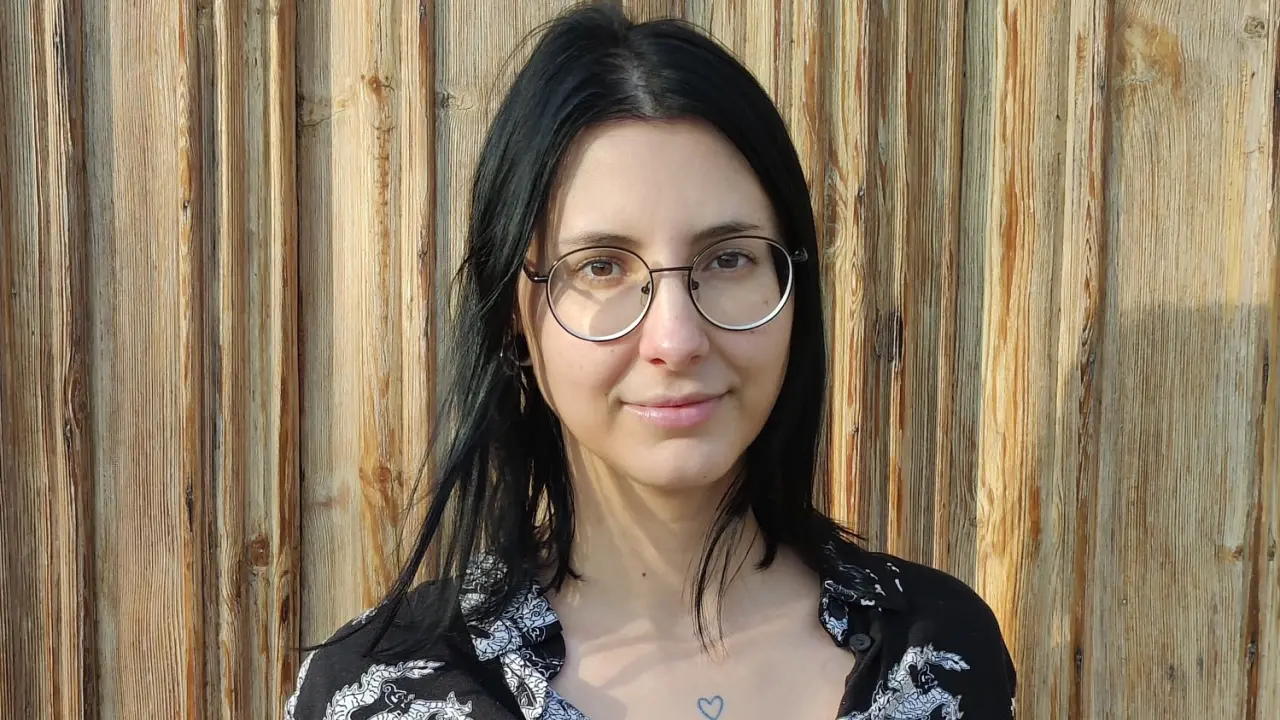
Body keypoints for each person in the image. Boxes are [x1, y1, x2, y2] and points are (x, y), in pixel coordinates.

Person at [285, 2, 1017, 718]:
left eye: (727, 259)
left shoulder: (944, 660)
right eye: (601, 266)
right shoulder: (380, 693)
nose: (676, 339)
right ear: (514, 313)